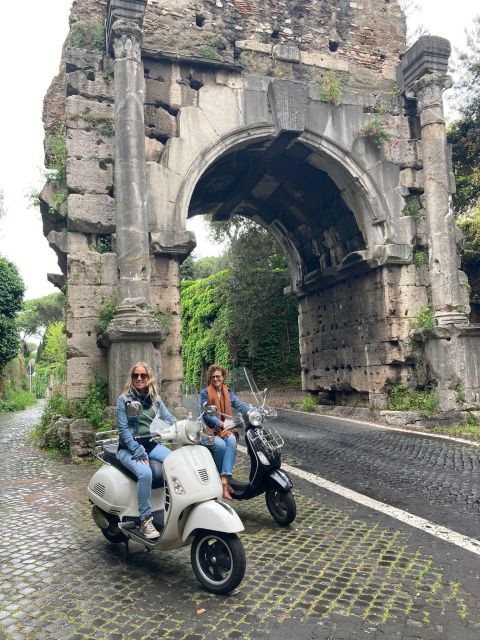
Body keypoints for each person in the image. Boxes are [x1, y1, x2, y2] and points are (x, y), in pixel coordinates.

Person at [116, 361, 176, 540]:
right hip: (128, 448)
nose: (139, 378)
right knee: (145, 472)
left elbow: (169, 418)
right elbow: (123, 430)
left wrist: (187, 428)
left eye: (143, 375)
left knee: (176, 462)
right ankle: (145, 521)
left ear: (149, 378)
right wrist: (136, 449)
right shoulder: (124, 399)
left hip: (151, 445)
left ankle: (172, 506)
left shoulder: (154, 398)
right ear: (132, 378)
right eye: (136, 375)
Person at [200, 364, 251, 500]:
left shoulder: (228, 392)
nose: (216, 379)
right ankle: (223, 483)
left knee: (232, 440)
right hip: (210, 430)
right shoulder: (205, 392)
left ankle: (224, 479)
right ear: (210, 378)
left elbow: (239, 404)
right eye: (213, 377)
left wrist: (253, 411)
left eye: (218, 376)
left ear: (223, 377)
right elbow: (205, 413)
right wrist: (218, 422)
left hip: (226, 428)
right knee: (221, 446)